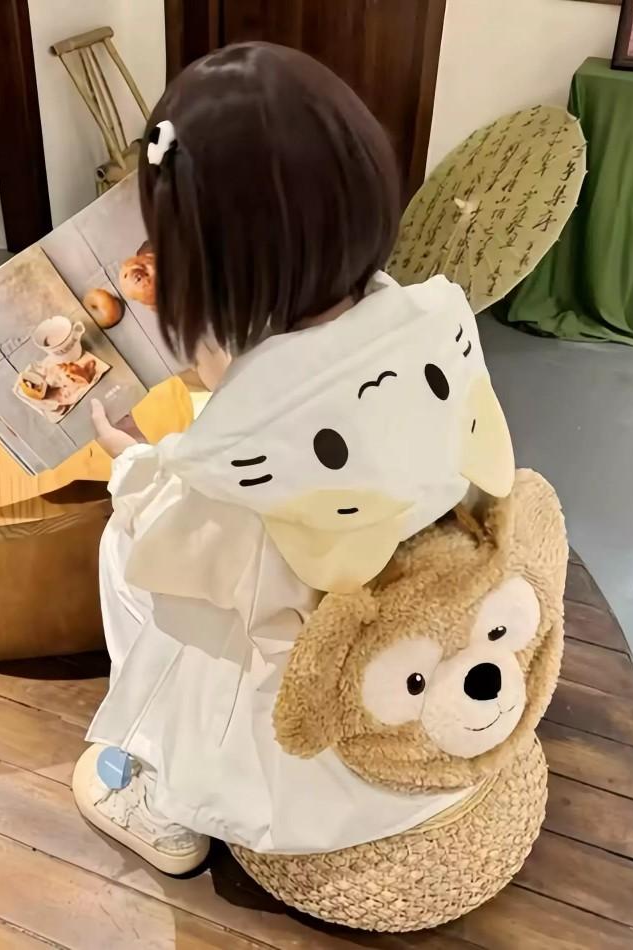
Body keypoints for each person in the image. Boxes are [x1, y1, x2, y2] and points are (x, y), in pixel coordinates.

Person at [74, 42, 515, 874]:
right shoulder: (428, 316)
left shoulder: (246, 459)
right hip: (421, 656)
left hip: (323, 749)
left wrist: (132, 468)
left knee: (128, 552)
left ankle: (162, 798)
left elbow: (192, 554)